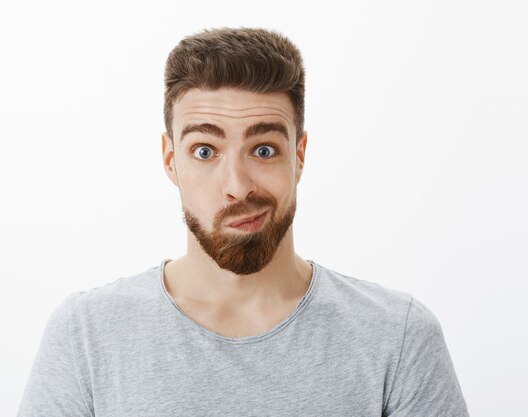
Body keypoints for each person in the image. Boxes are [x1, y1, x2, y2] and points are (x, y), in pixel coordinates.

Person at [17, 27, 469, 416]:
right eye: (205, 151)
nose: (237, 185)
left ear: (300, 155)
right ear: (171, 160)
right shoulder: (86, 335)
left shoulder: (397, 336)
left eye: (264, 149)